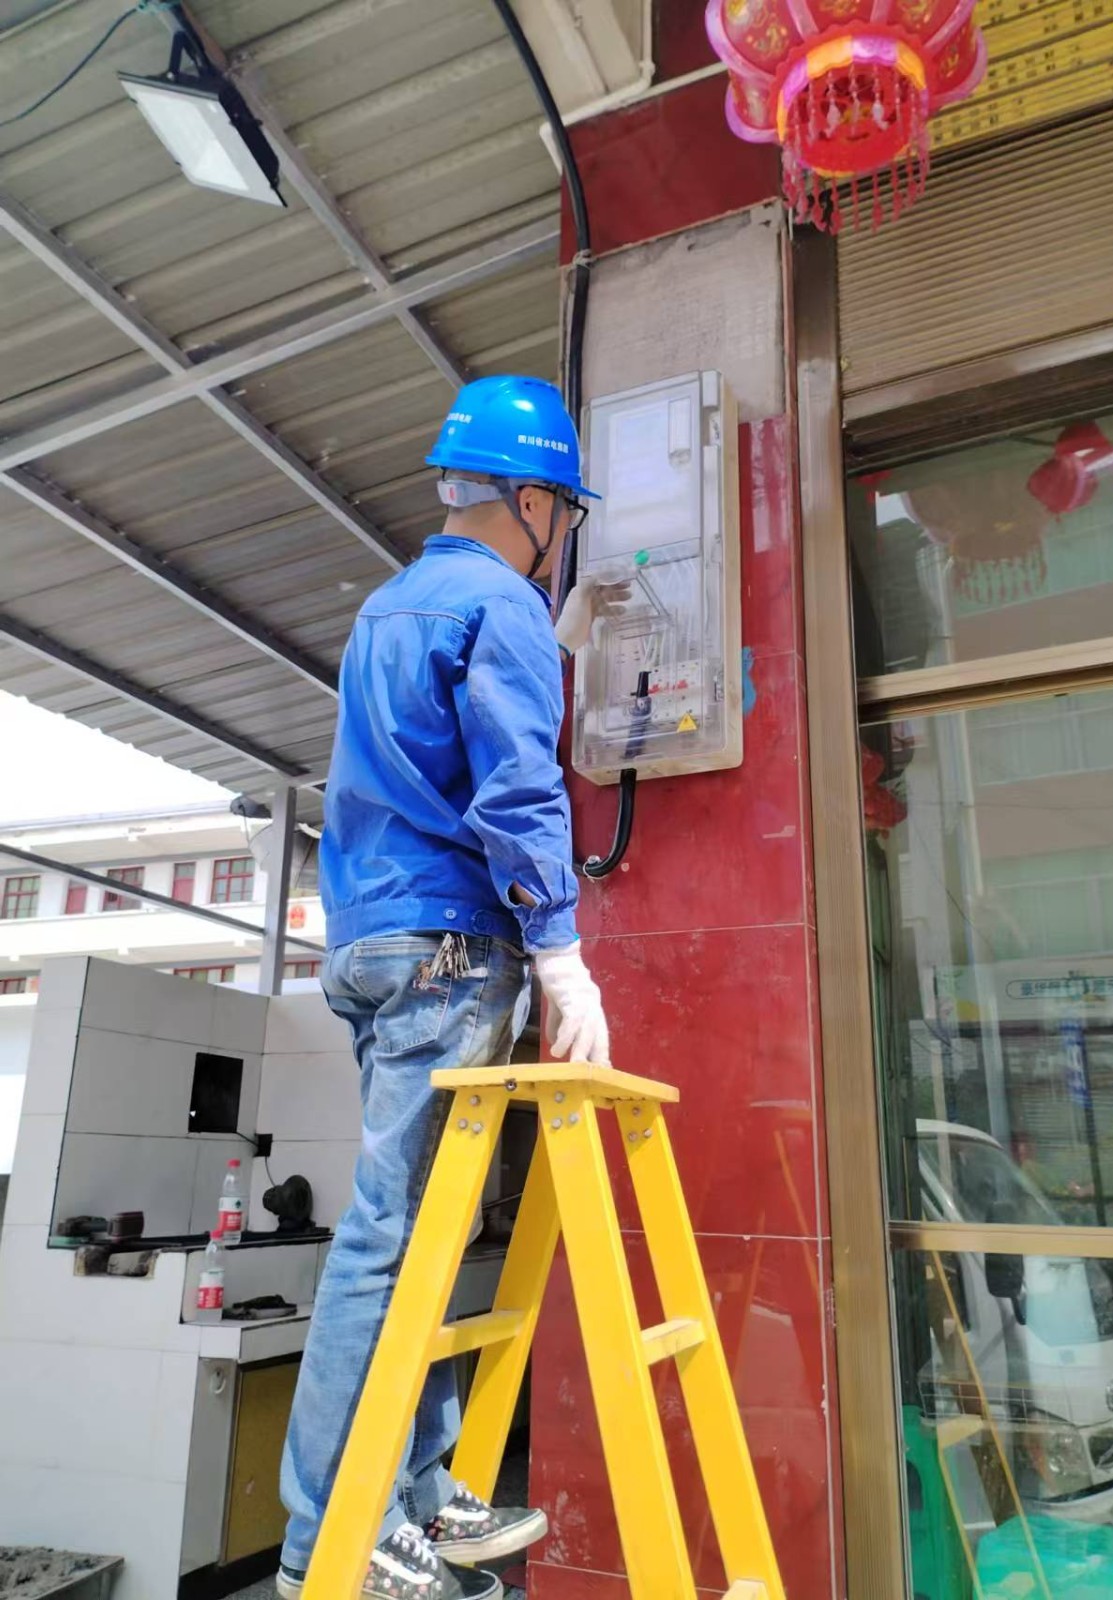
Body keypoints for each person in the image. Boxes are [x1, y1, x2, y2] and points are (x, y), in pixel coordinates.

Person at [278, 375, 626, 1600]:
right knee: (389, 1236)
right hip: (449, 948)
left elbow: (410, 760)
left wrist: (550, 643)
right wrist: (560, 949)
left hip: (371, 941)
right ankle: (335, 1528)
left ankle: (419, 1489)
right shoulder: (504, 607)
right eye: (564, 511)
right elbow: (517, 786)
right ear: (531, 498)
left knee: (414, 1227)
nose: (563, 532)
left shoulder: (388, 606)